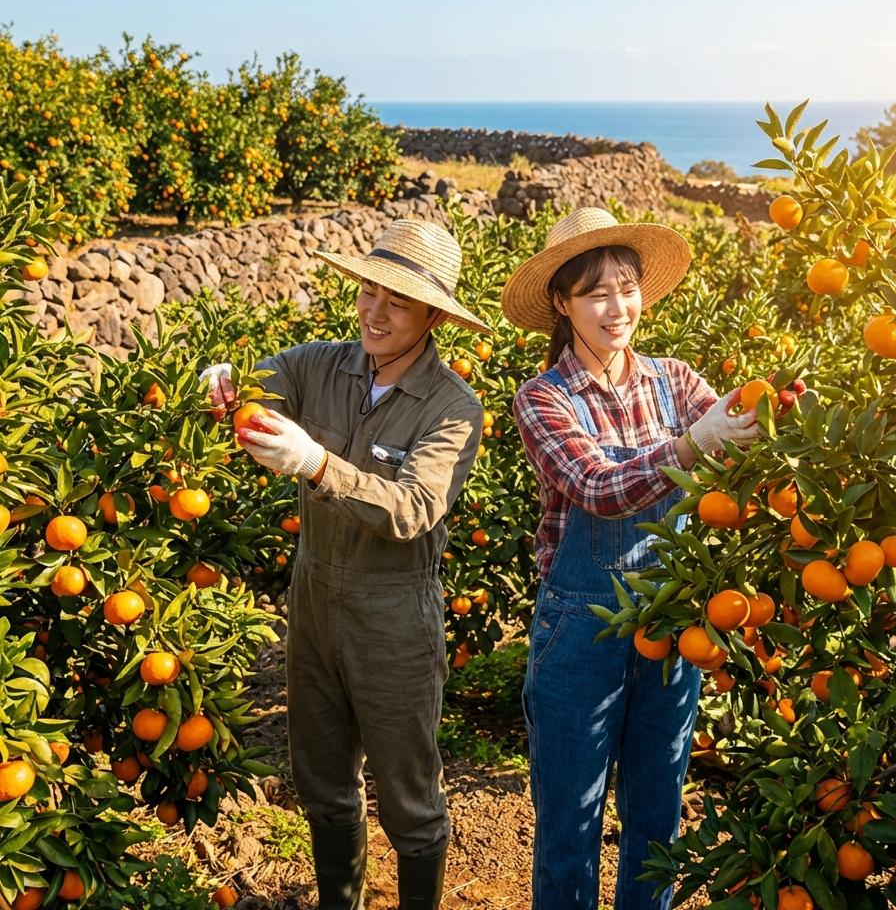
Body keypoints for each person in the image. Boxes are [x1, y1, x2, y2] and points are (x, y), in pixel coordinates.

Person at [202, 218, 489, 910]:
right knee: (323, 779)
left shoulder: (453, 408)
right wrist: (221, 385)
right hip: (314, 603)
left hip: (395, 616)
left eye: (397, 300)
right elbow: (248, 392)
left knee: (407, 793)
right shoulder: (318, 365)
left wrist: (319, 463)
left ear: (431, 316)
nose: (375, 310)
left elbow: (415, 507)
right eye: (368, 290)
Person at [500, 207, 760, 910]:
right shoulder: (542, 398)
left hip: (672, 621)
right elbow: (595, 486)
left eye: (626, 287)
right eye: (595, 293)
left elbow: (740, 440)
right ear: (563, 303)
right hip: (580, 626)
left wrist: (775, 416)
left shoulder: (675, 381)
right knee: (569, 824)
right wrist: (690, 447)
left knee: (658, 814)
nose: (617, 308)